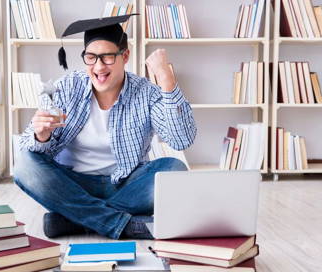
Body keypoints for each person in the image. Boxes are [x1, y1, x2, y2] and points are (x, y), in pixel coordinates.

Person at [13, 15, 197, 240]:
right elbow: (32, 151)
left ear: (125, 55)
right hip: (73, 185)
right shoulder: (65, 88)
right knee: (24, 163)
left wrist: (166, 79)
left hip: (127, 185)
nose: (99, 67)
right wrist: (41, 137)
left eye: (108, 57)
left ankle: (74, 219)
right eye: (91, 58)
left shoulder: (146, 93)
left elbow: (181, 140)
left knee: (174, 170)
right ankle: (124, 224)